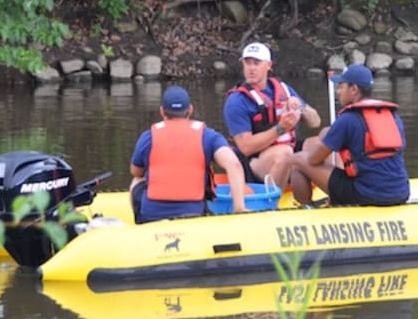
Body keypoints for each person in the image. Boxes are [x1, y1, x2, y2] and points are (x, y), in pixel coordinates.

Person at [289, 64, 410, 206]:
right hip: (400, 191)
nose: (338, 91)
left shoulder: (347, 119)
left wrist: (326, 141)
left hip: (365, 194)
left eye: (341, 86)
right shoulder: (393, 116)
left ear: (354, 89)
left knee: (297, 159)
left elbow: (314, 160)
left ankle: (307, 209)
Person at [130, 85, 246, 223]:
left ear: (162, 111)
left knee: (137, 180)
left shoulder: (148, 137)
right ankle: (239, 209)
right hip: (193, 213)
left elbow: (136, 171)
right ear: (190, 110)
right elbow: (233, 164)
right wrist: (239, 207)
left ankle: (139, 226)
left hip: (152, 216)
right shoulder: (208, 136)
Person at [222, 42, 321, 189]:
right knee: (284, 152)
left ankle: (336, 196)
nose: (251, 68)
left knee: (324, 143)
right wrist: (281, 128)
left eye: (256, 63)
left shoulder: (284, 89)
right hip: (254, 162)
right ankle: (270, 202)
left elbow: (315, 122)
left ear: (268, 65)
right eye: (247, 63)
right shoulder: (237, 101)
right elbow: (245, 147)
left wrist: (300, 107)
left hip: (288, 149)